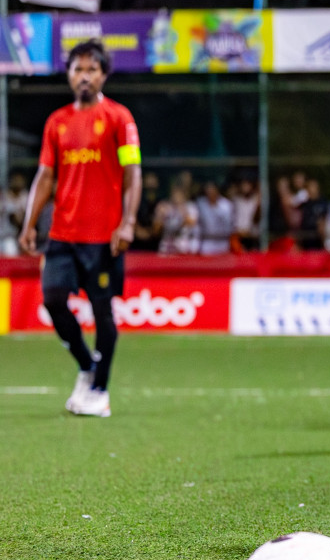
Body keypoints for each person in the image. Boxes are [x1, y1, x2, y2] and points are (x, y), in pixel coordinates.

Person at [16, 40, 142, 418]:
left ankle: (100, 389)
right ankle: (87, 367)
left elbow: (133, 173)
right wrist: (28, 223)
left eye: (91, 69)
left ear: (103, 75)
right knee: (53, 300)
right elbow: (46, 175)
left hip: (103, 238)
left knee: (103, 313)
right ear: (68, 74)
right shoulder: (57, 122)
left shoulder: (120, 118)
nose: (84, 76)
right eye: (77, 69)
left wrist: (129, 221)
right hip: (62, 235)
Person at [155, 183, 198, 255]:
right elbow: (155, 231)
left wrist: (181, 210)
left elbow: (192, 223)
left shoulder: (190, 206)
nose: (176, 196)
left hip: (183, 246)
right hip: (166, 246)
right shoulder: (164, 206)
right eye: (174, 193)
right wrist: (161, 217)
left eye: (179, 193)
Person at [195, 180, 235, 256]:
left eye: (212, 189)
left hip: (222, 240)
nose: (210, 192)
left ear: (217, 191)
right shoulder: (201, 203)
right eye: (208, 190)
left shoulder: (226, 205)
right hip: (207, 241)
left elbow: (230, 224)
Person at [3, 171, 30, 256]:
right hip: (5, 236)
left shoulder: (25, 196)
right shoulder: (4, 196)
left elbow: (24, 219)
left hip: (17, 236)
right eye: (15, 180)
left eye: (19, 180)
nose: (17, 182)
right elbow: (14, 219)